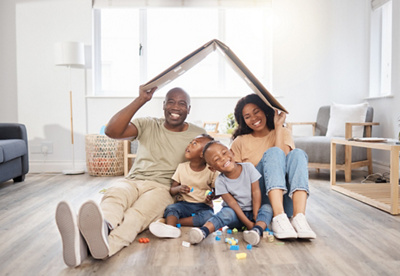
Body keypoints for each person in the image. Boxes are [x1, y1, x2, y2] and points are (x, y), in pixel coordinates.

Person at [55, 86, 205, 267]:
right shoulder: (148, 124)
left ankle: (100, 246)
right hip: (133, 180)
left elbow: (212, 160)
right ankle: (104, 227)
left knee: (136, 216)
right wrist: (141, 99)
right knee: (114, 196)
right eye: (171, 102)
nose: (176, 107)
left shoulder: (198, 135)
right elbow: (112, 132)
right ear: (163, 105)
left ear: (189, 109)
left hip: (164, 187)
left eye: (182, 103)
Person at [230, 93, 316, 240]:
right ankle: (278, 217)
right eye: (247, 116)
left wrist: (278, 127)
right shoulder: (240, 141)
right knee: (272, 153)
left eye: (256, 112)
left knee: (298, 154)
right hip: (259, 201)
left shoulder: (283, 132)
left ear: (264, 110)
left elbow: (282, 160)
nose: (254, 118)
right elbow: (234, 177)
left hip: (285, 200)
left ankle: (299, 218)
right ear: (243, 120)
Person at [189, 141, 273, 246]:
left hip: (254, 212)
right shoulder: (220, 181)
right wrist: (247, 223)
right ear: (213, 168)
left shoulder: (249, 168)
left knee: (267, 208)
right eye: (217, 159)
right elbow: (232, 204)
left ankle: (256, 231)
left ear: (232, 152)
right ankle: (203, 231)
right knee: (225, 213)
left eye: (224, 153)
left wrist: (256, 216)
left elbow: (256, 192)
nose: (223, 158)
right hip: (236, 216)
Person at [149, 134, 218, 238]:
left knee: (209, 217)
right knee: (171, 208)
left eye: (195, 143)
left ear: (202, 154)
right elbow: (172, 190)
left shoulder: (211, 170)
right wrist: (179, 188)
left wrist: (212, 195)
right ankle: (170, 229)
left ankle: (173, 223)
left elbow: (218, 191)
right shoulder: (182, 167)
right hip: (183, 204)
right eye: (191, 142)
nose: (189, 145)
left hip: (203, 206)